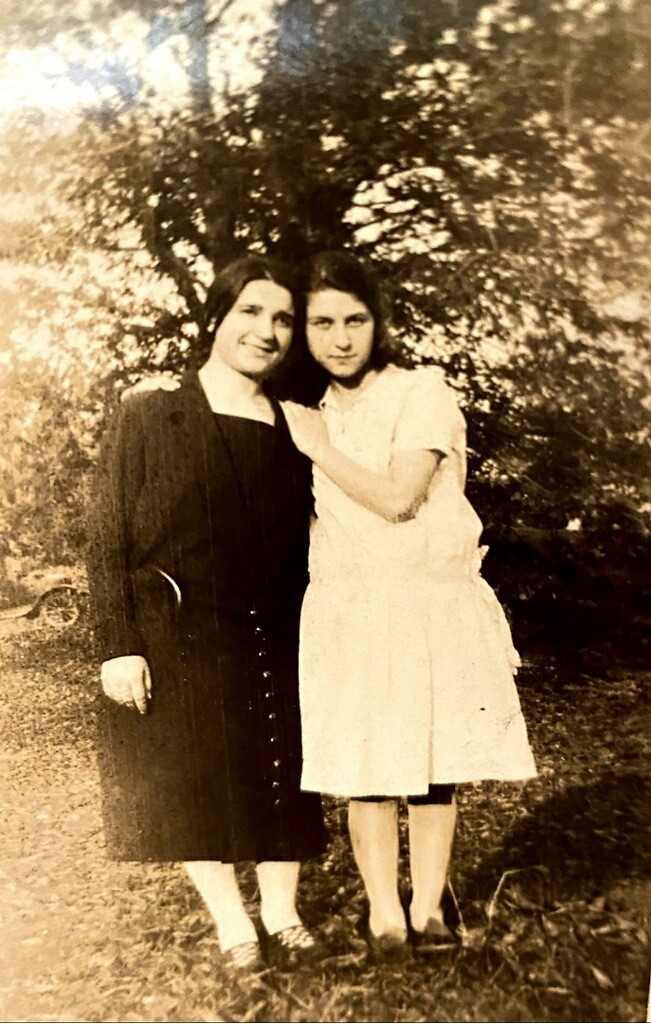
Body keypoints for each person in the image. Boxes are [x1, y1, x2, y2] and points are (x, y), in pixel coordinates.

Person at [282, 250, 537, 958]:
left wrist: (318, 448)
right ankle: (383, 916)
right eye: (322, 322)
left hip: (424, 600)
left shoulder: (420, 390)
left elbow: (398, 498)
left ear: (377, 322)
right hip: (350, 605)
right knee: (367, 766)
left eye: (355, 320)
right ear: (302, 330)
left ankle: (427, 908)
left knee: (429, 764)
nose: (340, 337)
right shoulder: (311, 407)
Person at [86, 255, 327, 976]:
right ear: (217, 316)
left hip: (280, 629)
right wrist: (118, 645)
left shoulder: (296, 423)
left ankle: (282, 913)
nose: (267, 330)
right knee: (195, 776)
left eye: (283, 318)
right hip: (180, 633)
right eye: (251, 311)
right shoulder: (149, 412)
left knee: (284, 769)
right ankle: (233, 923)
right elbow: (107, 536)